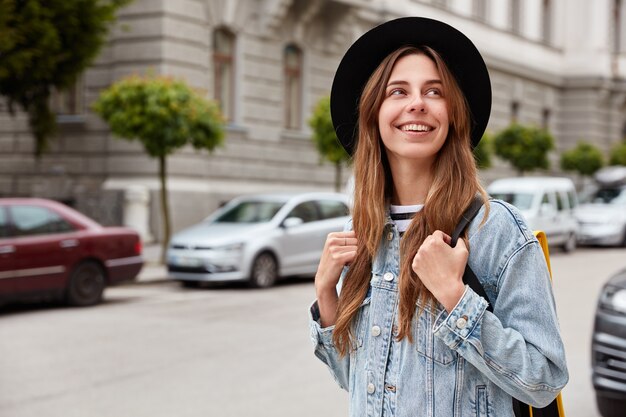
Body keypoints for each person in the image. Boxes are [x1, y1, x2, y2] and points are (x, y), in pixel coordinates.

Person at [309, 17, 568, 417]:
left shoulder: (495, 230)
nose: (417, 103)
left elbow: (545, 380)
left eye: (435, 91)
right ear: (374, 113)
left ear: (453, 116)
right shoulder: (359, 233)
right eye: (398, 91)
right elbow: (356, 378)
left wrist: (455, 297)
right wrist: (327, 295)